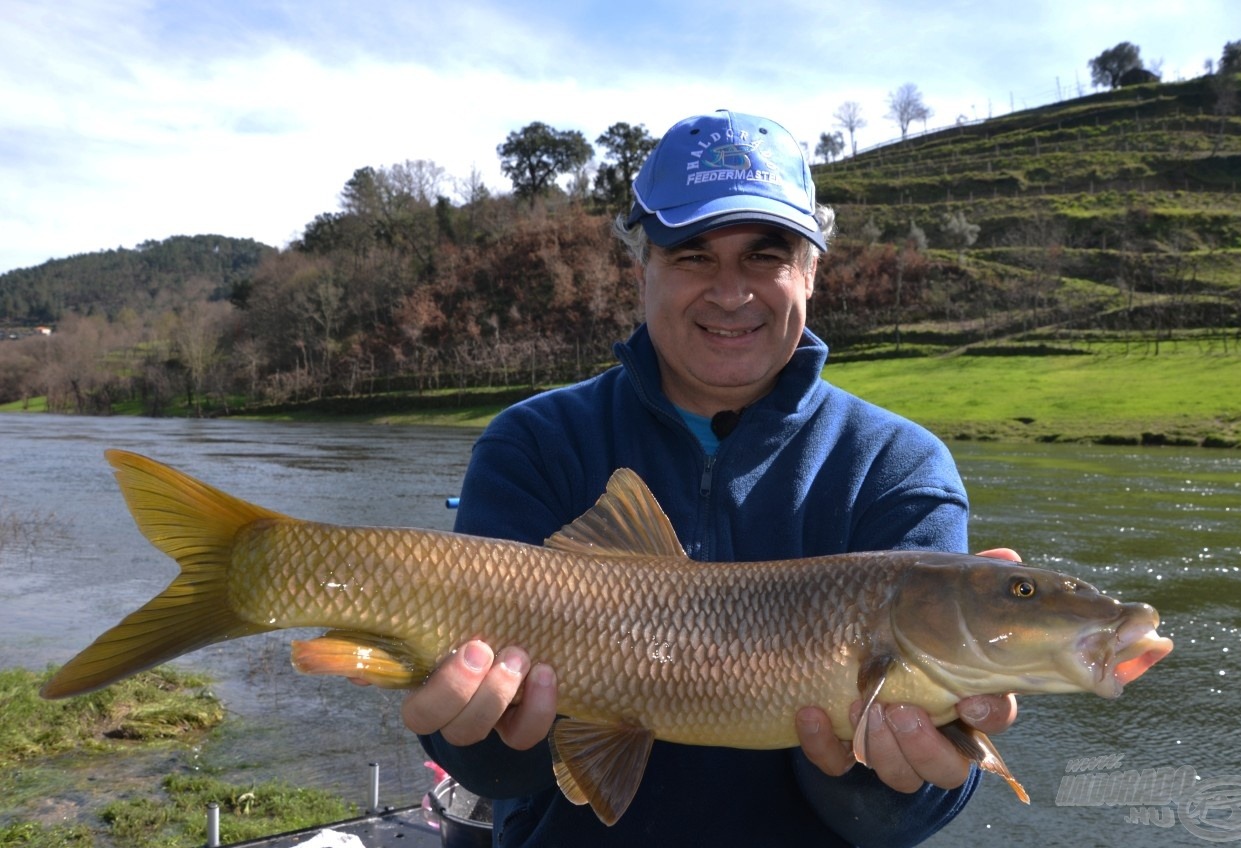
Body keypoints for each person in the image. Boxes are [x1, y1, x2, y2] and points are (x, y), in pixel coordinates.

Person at [400, 109, 1018, 846]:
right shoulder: (534, 443)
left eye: (766, 256)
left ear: (812, 271)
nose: (731, 293)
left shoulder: (898, 468)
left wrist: (875, 777)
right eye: (694, 256)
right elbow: (491, 772)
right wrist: (482, 737)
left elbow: (898, 820)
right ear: (642, 268)